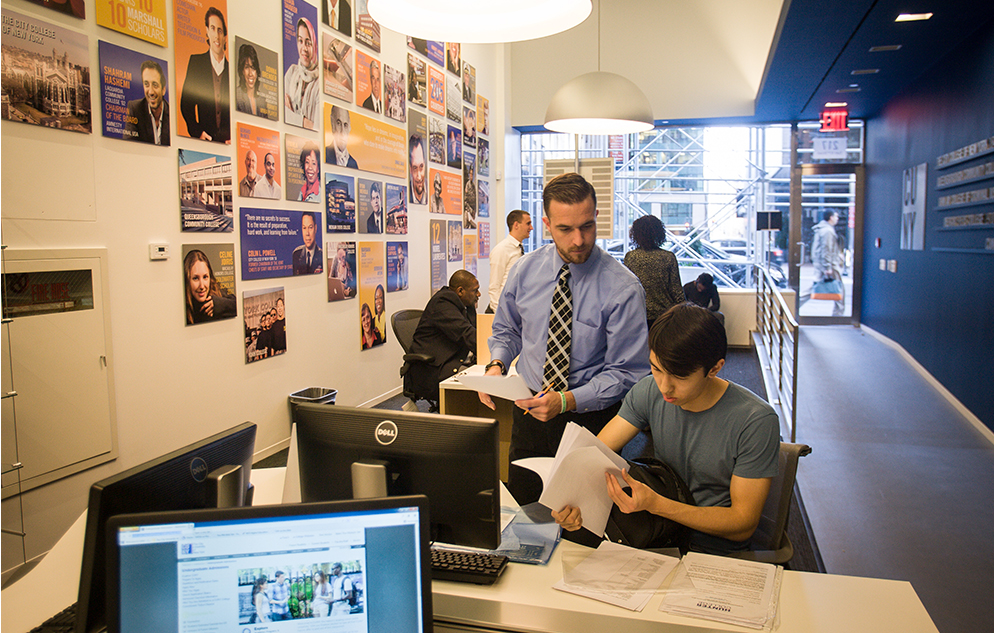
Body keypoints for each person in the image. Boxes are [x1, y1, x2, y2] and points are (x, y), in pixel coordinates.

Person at [552, 303, 780, 555]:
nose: (665, 387)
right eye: (656, 369)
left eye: (680, 377)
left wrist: (657, 505)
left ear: (715, 368)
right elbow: (591, 456)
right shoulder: (649, 390)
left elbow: (742, 524)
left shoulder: (755, 420)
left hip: (714, 548)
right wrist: (569, 502)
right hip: (657, 537)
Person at [480, 173, 650, 505]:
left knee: (584, 522)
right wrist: (497, 363)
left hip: (593, 420)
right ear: (546, 223)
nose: (578, 240)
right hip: (528, 413)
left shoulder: (623, 288)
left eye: (586, 226)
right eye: (565, 229)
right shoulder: (525, 270)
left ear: (597, 215)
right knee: (527, 512)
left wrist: (567, 401)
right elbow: (508, 329)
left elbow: (627, 373)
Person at [409, 270, 479, 403]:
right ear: (460, 291)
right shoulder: (442, 303)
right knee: (482, 384)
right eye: (475, 290)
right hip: (432, 369)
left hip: (452, 358)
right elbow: (466, 334)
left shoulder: (463, 304)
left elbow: (475, 330)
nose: (479, 294)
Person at [623, 215, 684, 331]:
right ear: (659, 233)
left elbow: (626, 289)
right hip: (664, 317)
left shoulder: (631, 257)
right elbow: (677, 292)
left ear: (636, 234)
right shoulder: (668, 257)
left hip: (638, 315)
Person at [179, 6, 230, 143]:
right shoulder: (196, 63)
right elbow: (186, 104)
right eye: (212, 28)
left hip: (226, 143)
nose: (216, 35)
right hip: (203, 142)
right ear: (207, 31)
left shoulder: (232, 72)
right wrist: (198, 132)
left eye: (220, 30)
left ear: (225, 37)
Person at [487, 210, 532, 313]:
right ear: (516, 225)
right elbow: (494, 287)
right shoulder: (501, 249)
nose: (531, 228)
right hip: (501, 312)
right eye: (528, 224)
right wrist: (500, 314)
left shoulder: (518, 248)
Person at [804, 210, 845, 316]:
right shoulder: (827, 231)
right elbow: (826, 249)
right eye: (836, 216)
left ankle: (793, 305)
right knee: (839, 288)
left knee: (815, 287)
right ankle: (838, 314)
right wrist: (828, 267)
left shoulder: (821, 229)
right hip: (830, 265)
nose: (837, 218)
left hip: (822, 263)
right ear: (830, 217)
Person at [284, 17, 320, 130]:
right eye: (300, 41)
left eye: (308, 43)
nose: (304, 48)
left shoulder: (320, 83)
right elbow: (281, 113)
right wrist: (305, 122)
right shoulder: (292, 72)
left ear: (314, 45)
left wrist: (292, 117)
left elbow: (318, 128)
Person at [184, 249, 236, 325]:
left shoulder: (216, 290)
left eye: (205, 277)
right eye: (195, 278)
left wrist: (219, 304)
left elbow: (237, 305)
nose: (202, 286)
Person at [125, 60, 169, 145]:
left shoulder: (172, 116)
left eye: (155, 85)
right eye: (146, 84)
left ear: (163, 90)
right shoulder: (134, 109)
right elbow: (128, 145)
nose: (151, 92)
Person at [235, 44, 267, 117]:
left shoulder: (262, 101)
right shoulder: (237, 97)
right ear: (242, 71)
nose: (250, 73)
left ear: (257, 71)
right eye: (246, 67)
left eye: (253, 68)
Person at [409, 135, 427, 204]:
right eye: (415, 168)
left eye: (421, 166)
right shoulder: (406, 195)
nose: (419, 177)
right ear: (410, 169)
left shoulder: (432, 191)